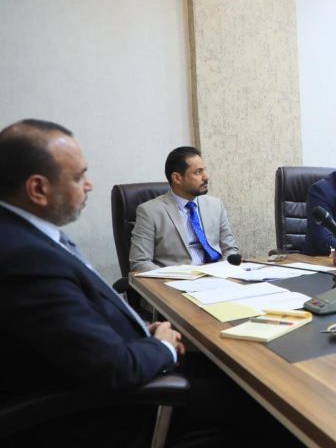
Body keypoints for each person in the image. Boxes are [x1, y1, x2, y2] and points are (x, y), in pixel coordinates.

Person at [0, 120, 296, 447]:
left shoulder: (29, 239)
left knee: (238, 370)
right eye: (78, 177)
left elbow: (73, 328)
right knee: (268, 403)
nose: (89, 185)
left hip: (129, 357)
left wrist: (141, 328)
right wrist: (162, 346)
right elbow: (115, 369)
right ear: (38, 189)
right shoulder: (24, 259)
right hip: (120, 410)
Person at [129, 146, 239, 272]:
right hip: (176, 279)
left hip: (217, 275)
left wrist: (223, 271)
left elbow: (230, 250)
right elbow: (140, 262)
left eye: (204, 170)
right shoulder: (150, 212)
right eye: (197, 172)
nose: (206, 177)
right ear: (177, 178)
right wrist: (176, 277)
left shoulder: (215, 205)